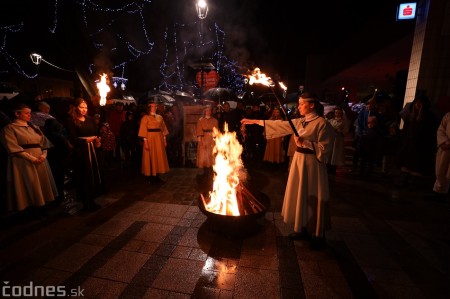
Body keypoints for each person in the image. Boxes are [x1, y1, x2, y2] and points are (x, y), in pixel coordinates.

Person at [241, 92, 334, 250]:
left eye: (302, 104)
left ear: (312, 105)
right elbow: (279, 126)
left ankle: (317, 234)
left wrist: (306, 143)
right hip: (299, 162)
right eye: (299, 104)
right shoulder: (300, 122)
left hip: (312, 165)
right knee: (300, 194)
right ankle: (302, 229)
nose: (299, 107)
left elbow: (325, 150)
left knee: (312, 196)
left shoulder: (322, 123)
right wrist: (253, 121)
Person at [0, 103, 58, 213]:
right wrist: (32, 159)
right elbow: (12, 146)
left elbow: (44, 143)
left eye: (30, 113)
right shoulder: (9, 129)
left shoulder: (34, 127)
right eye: (26, 113)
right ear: (17, 114)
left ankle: (41, 208)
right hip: (22, 161)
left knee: (40, 184)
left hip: (40, 160)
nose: (29, 115)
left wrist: (43, 155)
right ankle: (29, 210)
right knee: (27, 184)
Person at [66, 98, 105, 211]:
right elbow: (72, 138)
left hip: (93, 151)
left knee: (93, 174)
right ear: (75, 108)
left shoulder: (91, 119)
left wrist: (98, 140)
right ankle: (85, 201)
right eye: (81, 107)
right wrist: (85, 141)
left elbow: (95, 133)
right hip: (81, 153)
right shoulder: (71, 121)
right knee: (84, 176)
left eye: (85, 107)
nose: (84, 110)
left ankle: (92, 199)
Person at [397, 95, 439, 187]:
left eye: (420, 103)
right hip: (408, 145)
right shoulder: (410, 116)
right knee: (406, 164)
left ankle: (413, 184)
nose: (417, 104)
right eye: (416, 102)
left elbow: (430, 133)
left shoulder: (430, 118)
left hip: (420, 146)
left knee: (416, 166)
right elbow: (405, 131)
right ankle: (404, 182)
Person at [138, 98, 170, 183]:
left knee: (158, 156)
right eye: (152, 106)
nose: (154, 108)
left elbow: (163, 129)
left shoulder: (160, 117)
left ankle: (157, 175)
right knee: (150, 156)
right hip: (150, 138)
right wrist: (145, 141)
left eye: (155, 106)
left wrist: (164, 139)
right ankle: (150, 177)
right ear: (149, 108)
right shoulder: (145, 118)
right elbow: (143, 130)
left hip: (158, 139)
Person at [43, 118, 70, 206]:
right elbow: (66, 148)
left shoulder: (44, 135)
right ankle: (59, 197)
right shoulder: (58, 136)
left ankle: (52, 197)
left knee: (51, 180)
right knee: (59, 179)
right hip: (59, 160)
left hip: (48, 160)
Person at [432, 112, 450, 200]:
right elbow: (441, 129)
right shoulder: (448, 115)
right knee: (440, 169)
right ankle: (439, 192)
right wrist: (444, 142)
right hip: (445, 148)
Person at [196, 105, 218, 177]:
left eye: (209, 110)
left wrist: (216, 139)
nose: (208, 112)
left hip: (211, 139)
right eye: (207, 110)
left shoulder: (214, 120)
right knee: (203, 154)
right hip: (204, 138)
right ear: (205, 111)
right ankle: (204, 169)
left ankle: (211, 168)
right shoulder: (201, 120)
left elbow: (216, 131)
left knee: (211, 153)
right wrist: (200, 140)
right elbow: (199, 130)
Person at [326, 107, 348, 174]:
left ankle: (333, 168)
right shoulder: (331, 120)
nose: (337, 114)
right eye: (336, 112)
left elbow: (346, 130)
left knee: (336, 153)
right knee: (330, 153)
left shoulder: (343, 121)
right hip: (331, 138)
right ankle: (328, 167)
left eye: (339, 113)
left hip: (338, 139)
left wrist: (339, 131)